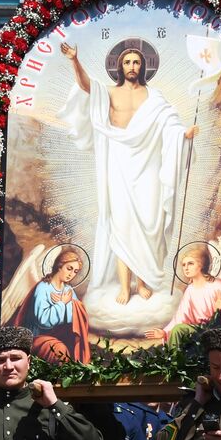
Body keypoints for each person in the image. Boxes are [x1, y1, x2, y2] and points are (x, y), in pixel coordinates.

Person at [59, 40, 196, 303]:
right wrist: (74, 60)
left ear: (143, 66)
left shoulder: (154, 97)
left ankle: (141, 282)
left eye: (136, 62)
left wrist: (183, 134)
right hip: (119, 162)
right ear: (120, 66)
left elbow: (171, 124)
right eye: (127, 62)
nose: (132, 66)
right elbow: (86, 86)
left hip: (148, 164)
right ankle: (125, 286)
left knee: (148, 223)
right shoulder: (109, 92)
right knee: (122, 225)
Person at [145, 243, 221, 348]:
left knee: (178, 330)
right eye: (184, 265)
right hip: (199, 330)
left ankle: (175, 357)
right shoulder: (190, 290)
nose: (186, 268)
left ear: (201, 265)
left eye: (190, 264)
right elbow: (180, 317)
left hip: (218, 331)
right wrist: (164, 332)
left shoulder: (217, 285)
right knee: (178, 330)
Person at [12, 246, 91, 363]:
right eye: (69, 268)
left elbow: (74, 320)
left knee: (67, 350)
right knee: (59, 350)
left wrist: (68, 305)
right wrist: (62, 304)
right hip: (39, 339)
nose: (71, 274)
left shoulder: (68, 290)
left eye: (75, 271)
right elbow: (44, 321)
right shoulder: (43, 288)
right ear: (59, 266)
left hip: (62, 337)